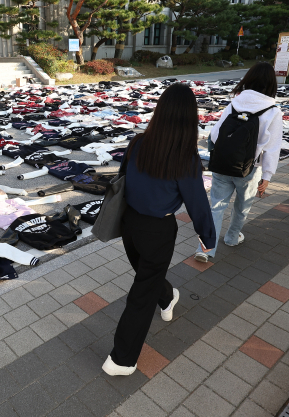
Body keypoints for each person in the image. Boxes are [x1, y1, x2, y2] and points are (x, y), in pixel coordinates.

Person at [103, 83, 216, 376]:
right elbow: (197, 203)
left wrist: (206, 236)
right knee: (142, 292)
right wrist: (208, 237)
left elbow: (122, 179)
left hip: (130, 224)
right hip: (157, 231)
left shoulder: (139, 142)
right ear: (190, 117)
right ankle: (122, 361)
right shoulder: (185, 157)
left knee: (145, 280)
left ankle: (166, 297)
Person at [194, 62, 283, 263]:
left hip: (223, 164)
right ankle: (232, 238)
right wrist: (267, 176)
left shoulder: (235, 103)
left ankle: (205, 248)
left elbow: (215, 135)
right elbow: (272, 147)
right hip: (250, 169)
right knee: (242, 207)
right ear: (271, 84)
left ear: (248, 79)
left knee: (215, 207)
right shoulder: (272, 111)